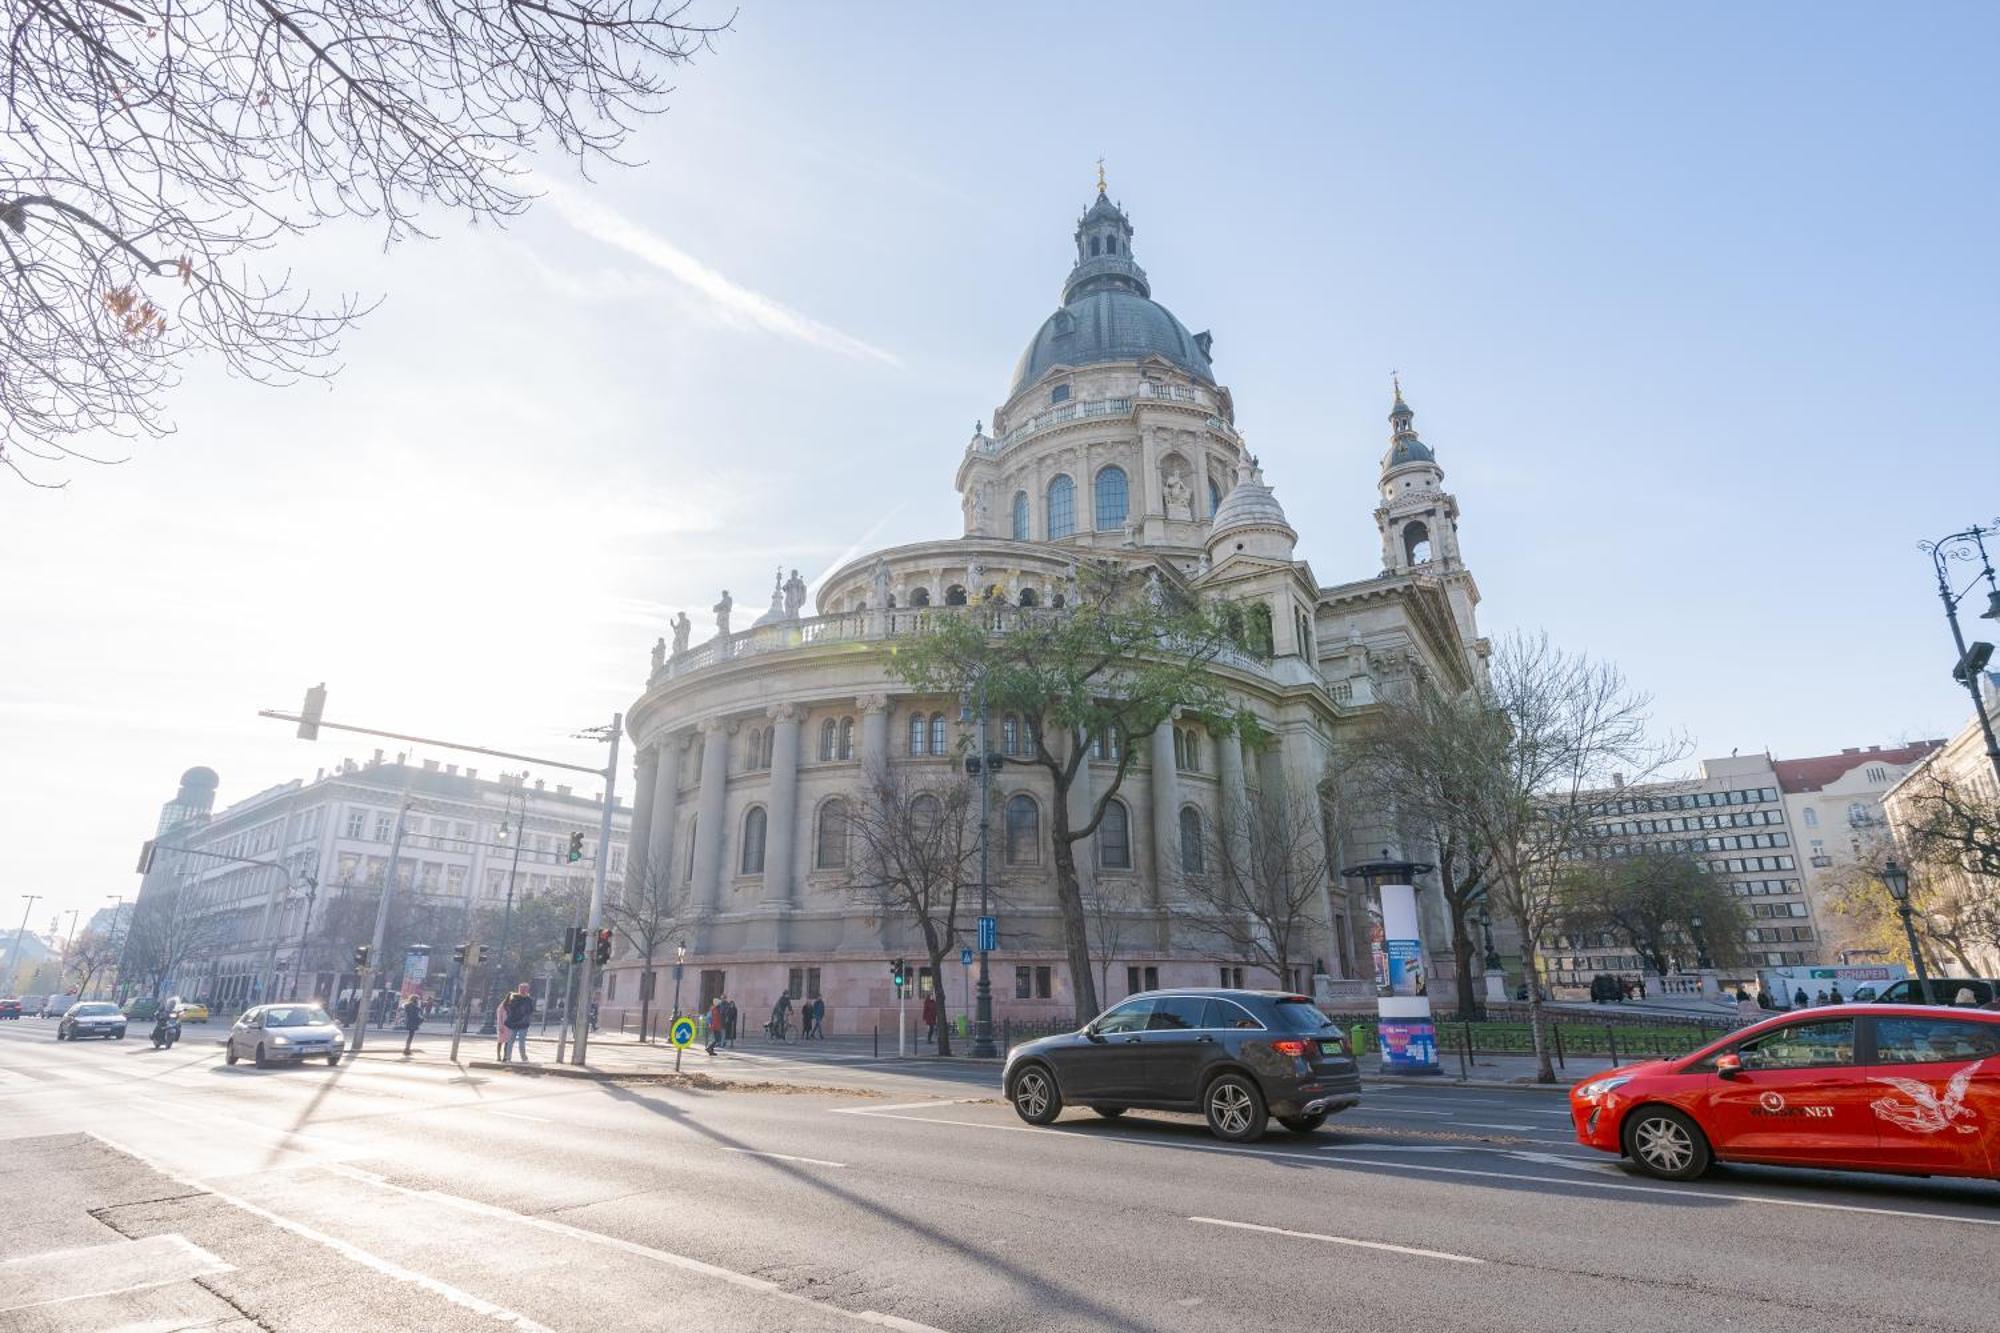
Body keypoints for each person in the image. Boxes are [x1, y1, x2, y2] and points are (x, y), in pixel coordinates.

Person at [503, 985, 535, 1063]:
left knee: (520, 1041)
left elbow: (530, 1010)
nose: (523, 990)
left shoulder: (528, 999)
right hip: (515, 1023)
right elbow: (506, 1006)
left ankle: (523, 1058)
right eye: (521, 988)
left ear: (527, 990)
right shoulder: (514, 998)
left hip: (523, 1023)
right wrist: (510, 1014)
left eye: (525, 989)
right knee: (511, 1041)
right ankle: (508, 1058)